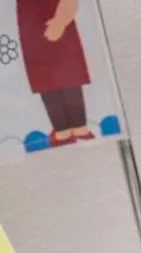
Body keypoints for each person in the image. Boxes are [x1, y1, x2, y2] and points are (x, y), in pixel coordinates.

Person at [17, 0, 91, 145]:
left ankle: (79, 126)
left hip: (60, 23)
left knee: (70, 77)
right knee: (45, 82)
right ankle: (61, 130)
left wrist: (60, 21)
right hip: (32, 30)